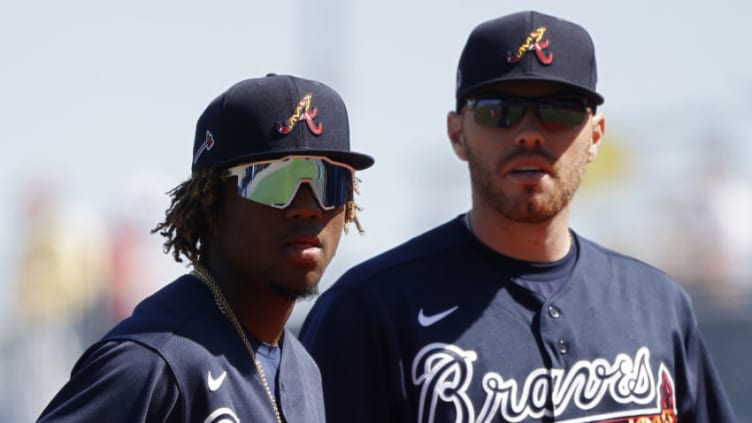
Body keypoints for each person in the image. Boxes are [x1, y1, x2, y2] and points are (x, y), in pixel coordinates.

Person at [300, 11, 738, 423]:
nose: (529, 132)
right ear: (457, 133)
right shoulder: (369, 310)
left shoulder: (658, 306)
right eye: (499, 111)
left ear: (596, 136)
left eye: (560, 110)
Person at [37, 73, 374, 423]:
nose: (308, 206)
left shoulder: (303, 370)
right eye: (275, 180)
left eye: (331, 181)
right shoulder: (152, 362)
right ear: (212, 203)